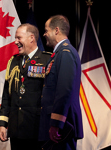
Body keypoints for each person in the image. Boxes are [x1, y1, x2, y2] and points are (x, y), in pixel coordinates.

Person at [0, 23, 51, 150]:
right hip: (16, 129)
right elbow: (7, 96)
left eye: (19, 38)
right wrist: (2, 123)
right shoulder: (13, 61)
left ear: (31, 38)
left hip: (37, 128)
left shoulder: (46, 60)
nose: (16, 42)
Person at [38, 15, 83, 149]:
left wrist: (56, 124)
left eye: (46, 30)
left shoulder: (65, 52)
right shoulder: (59, 53)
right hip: (58, 125)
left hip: (61, 127)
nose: (44, 34)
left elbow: (64, 91)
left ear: (56, 30)